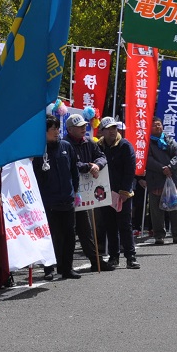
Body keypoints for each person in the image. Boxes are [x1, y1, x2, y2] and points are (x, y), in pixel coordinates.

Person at [63, 114, 113, 270]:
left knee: (86, 228)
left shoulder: (90, 143)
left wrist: (97, 165)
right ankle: (62, 265)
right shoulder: (64, 144)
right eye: (80, 127)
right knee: (66, 230)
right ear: (70, 129)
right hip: (67, 193)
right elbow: (71, 164)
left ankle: (95, 261)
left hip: (84, 193)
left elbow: (102, 157)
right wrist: (88, 166)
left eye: (84, 126)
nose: (84, 129)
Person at [34, 116, 82, 279]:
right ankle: (49, 268)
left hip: (67, 200)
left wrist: (73, 191)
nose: (56, 132)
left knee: (69, 235)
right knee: (51, 236)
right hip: (48, 202)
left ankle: (66, 268)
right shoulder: (38, 151)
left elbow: (74, 171)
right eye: (52, 129)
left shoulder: (66, 147)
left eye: (57, 128)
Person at [98, 117, 140, 269]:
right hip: (104, 193)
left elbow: (130, 171)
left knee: (125, 225)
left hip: (123, 193)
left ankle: (131, 257)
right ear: (102, 131)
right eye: (108, 128)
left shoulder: (125, 145)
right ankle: (114, 257)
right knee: (109, 225)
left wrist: (124, 191)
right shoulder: (99, 146)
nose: (112, 131)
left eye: (114, 128)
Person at [146, 118, 177, 244]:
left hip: (172, 178)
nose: (157, 127)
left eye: (159, 125)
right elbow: (147, 160)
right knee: (156, 210)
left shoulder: (169, 140)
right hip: (156, 179)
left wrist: (170, 166)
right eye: (154, 126)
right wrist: (162, 168)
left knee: (176, 207)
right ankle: (159, 235)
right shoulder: (147, 143)